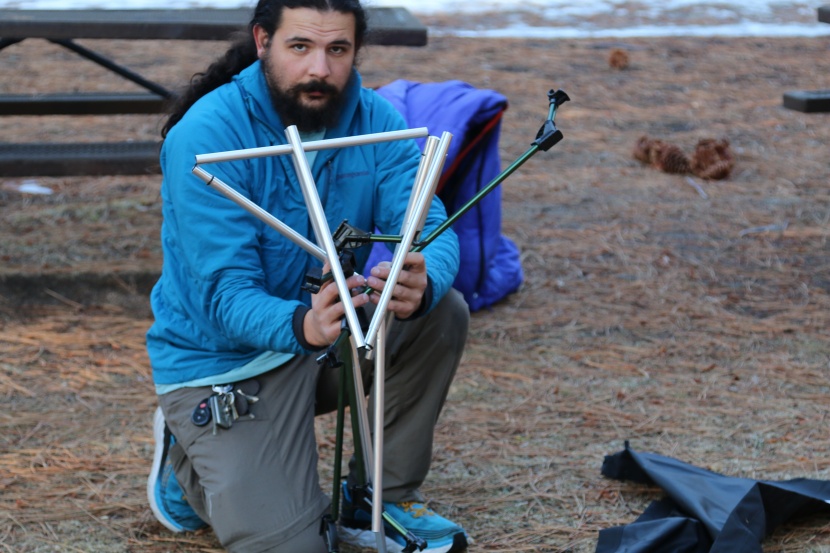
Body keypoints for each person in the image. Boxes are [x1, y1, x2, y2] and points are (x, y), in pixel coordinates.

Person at [144, 0, 470, 552]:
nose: (320, 68)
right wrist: (303, 325)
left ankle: (380, 495)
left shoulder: (374, 121)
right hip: (228, 361)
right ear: (263, 41)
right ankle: (187, 465)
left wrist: (423, 273)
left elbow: (424, 224)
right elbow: (223, 294)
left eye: (337, 49)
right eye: (301, 47)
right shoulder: (206, 133)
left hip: (325, 334)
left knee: (441, 309)